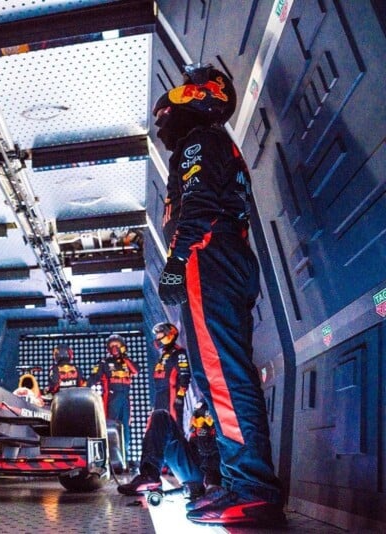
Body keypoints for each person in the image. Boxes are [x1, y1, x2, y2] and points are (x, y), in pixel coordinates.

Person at [153, 64, 285, 526]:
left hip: (208, 258)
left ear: (199, 96)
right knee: (220, 379)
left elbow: (200, 204)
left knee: (224, 379)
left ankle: (253, 489)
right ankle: (238, 481)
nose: (163, 113)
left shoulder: (200, 141)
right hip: (222, 260)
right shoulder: (211, 144)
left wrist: (176, 261)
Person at [118, 399, 220, 504]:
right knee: (160, 416)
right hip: (194, 466)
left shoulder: (225, 407)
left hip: (211, 477)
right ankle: (150, 476)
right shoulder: (203, 405)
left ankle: (209, 486)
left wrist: (212, 482)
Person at [91, 334, 138, 460]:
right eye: (111, 345)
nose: (114, 348)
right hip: (111, 397)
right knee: (111, 426)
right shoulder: (104, 362)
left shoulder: (127, 362)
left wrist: (125, 358)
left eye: (117, 345)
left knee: (125, 426)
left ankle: (125, 457)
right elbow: (93, 378)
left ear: (123, 346)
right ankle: (111, 457)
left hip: (126, 398)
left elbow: (135, 371)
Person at [151, 322, 191, 426]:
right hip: (160, 393)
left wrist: (180, 394)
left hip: (171, 392)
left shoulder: (178, 352)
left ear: (169, 334)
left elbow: (184, 374)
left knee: (173, 422)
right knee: (159, 423)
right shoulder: (164, 353)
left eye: (160, 334)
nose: (157, 338)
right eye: (157, 335)